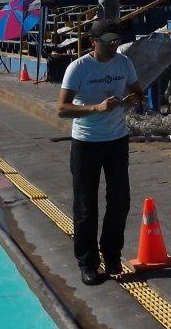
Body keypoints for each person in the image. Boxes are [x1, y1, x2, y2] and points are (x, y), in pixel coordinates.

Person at [57, 19, 144, 286]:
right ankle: (88, 262)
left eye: (116, 41)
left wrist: (134, 99)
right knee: (86, 206)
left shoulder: (124, 63)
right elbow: (62, 108)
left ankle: (112, 254)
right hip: (86, 143)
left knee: (120, 201)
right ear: (93, 42)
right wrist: (96, 108)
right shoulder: (78, 68)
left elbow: (138, 91)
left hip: (117, 140)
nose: (113, 47)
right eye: (107, 42)